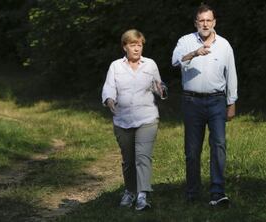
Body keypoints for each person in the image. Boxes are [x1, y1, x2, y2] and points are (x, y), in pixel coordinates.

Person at [172, 4, 238, 207]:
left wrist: (231, 102)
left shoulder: (224, 45)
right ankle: (192, 192)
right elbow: (175, 61)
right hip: (192, 101)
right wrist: (194, 53)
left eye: (209, 20)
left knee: (218, 145)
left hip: (217, 101)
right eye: (201, 20)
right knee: (192, 150)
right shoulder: (185, 41)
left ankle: (217, 193)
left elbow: (231, 74)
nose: (205, 24)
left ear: (214, 22)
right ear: (196, 23)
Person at [102, 29, 166, 211]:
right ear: (125, 47)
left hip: (147, 118)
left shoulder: (150, 64)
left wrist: (161, 90)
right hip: (122, 120)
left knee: (142, 157)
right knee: (128, 160)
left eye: (139, 45)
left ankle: (142, 196)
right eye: (133, 45)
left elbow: (158, 87)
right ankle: (130, 191)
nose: (137, 48)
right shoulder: (115, 66)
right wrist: (109, 100)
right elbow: (109, 88)